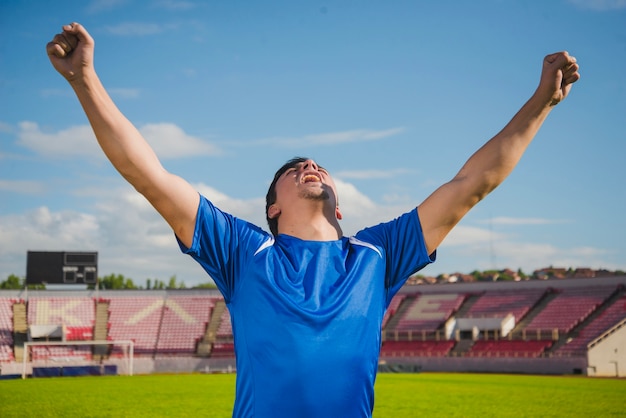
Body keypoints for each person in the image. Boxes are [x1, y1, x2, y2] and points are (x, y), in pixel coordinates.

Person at [47, 23, 580, 418]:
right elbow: (151, 178)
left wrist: (541, 104)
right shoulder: (243, 252)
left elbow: (472, 186)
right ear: (272, 208)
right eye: (292, 169)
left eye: (317, 166)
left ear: (339, 205)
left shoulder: (377, 255)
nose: (309, 166)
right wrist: (85, 80)